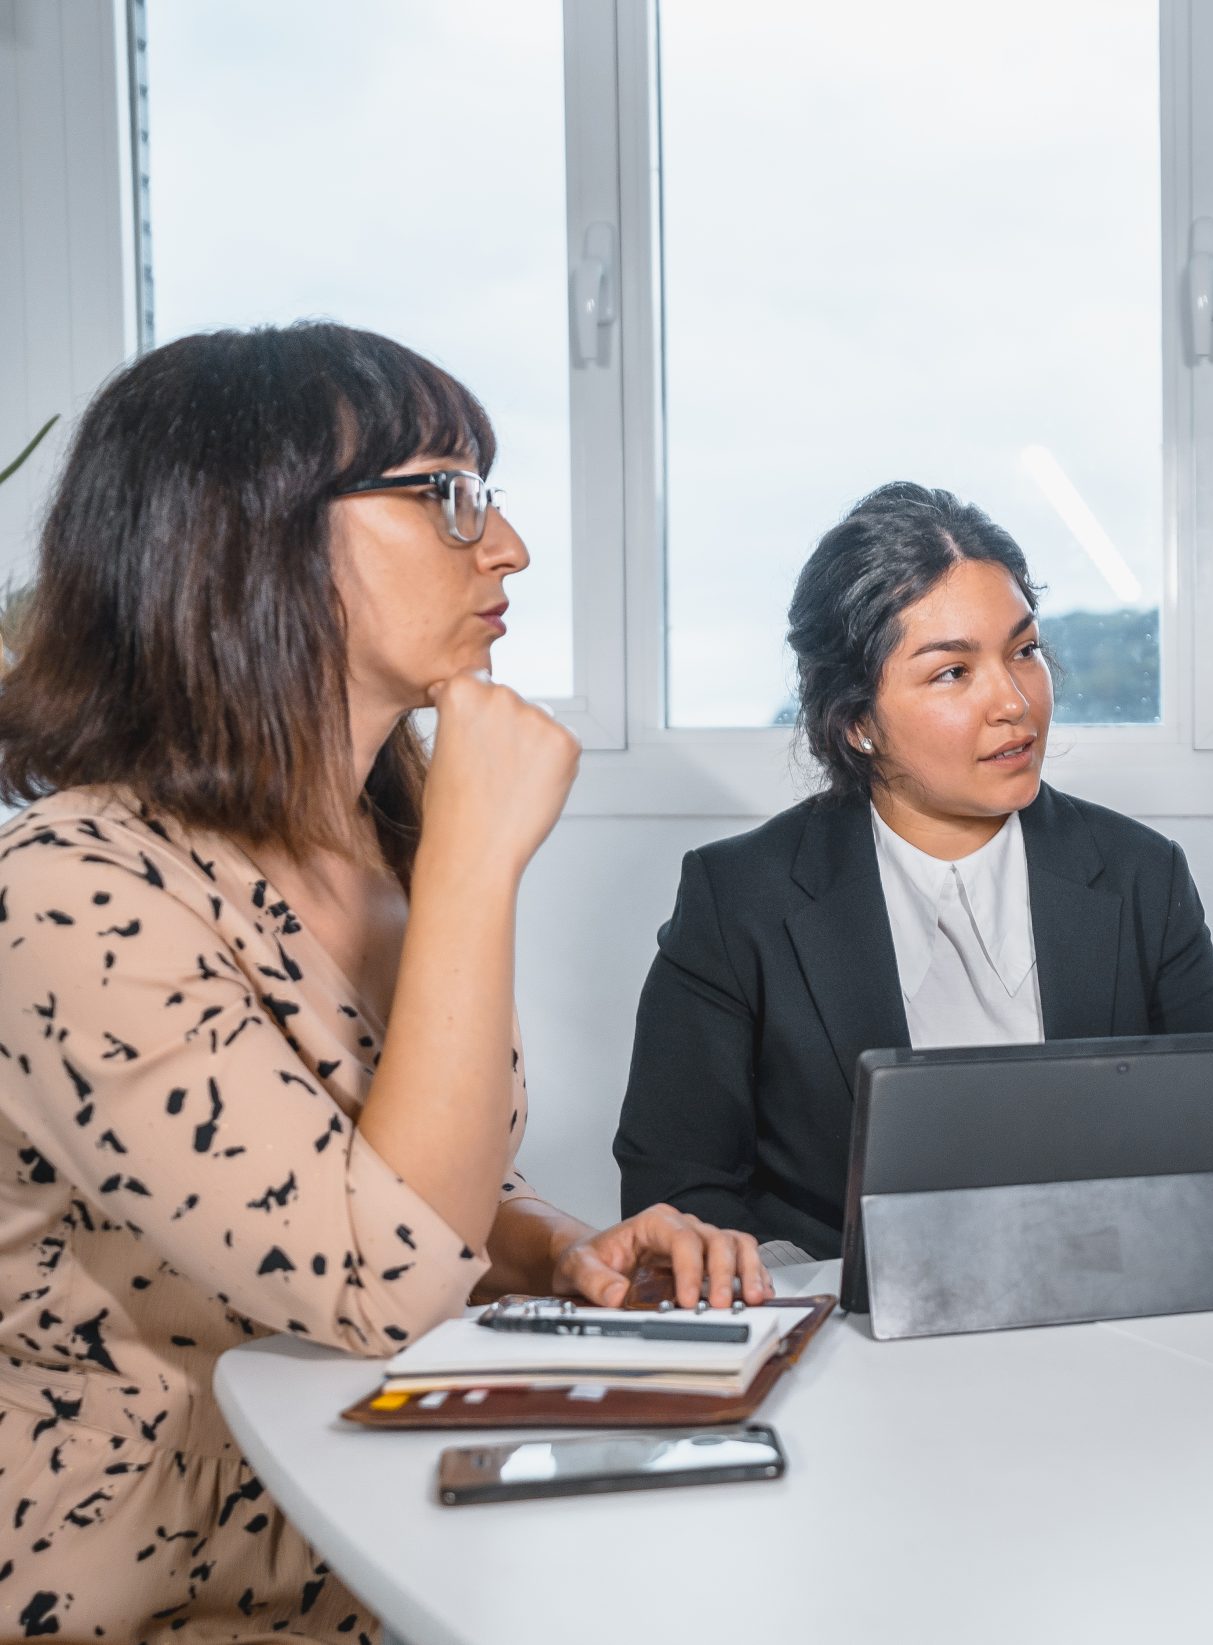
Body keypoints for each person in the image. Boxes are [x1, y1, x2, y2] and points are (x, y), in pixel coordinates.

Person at [0, 324, 767, 1642]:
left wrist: (558, 1246)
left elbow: (365, 1166)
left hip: (378, 1539)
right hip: (164, 1601)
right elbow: (381, 1281)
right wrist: (478, 862)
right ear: (247, 535)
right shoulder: (67, 892)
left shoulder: (377, 831)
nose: (507, 546)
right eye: (447, 495)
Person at [614, 483, 1213, 1257]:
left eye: (1025, 651)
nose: (1013, 701)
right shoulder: (739, 900)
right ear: (858, 722)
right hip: (852, 1343)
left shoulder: (1144, 877)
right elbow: (676, 1194)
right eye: (952, 673)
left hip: (1103, 1321)